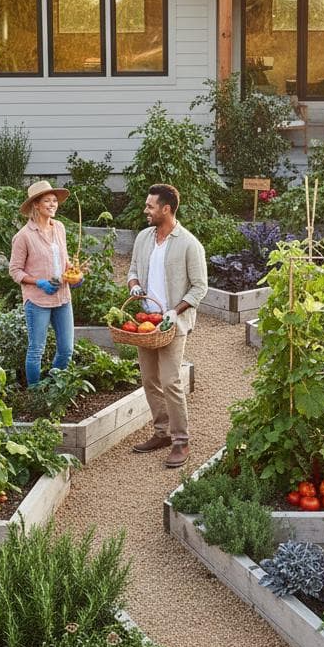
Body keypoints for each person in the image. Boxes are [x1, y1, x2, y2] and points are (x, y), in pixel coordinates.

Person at [127, 183, 207, 469]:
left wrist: (175, 311)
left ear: (166, 209)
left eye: (150, 206)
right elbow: (133, 269)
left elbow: (200, 288)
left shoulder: (188, 243)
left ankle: (181, 441)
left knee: (171, 381)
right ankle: (161, 433)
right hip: (147, 323)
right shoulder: (144, 238)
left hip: (172, 324)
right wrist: (134, 285)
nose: (145, 210)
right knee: (149, 380)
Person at [9, 180, 81, 386]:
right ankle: (34, 394)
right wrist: (39, 282)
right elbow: (14, 271)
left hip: (62, 297)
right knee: (36, 350)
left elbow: (64, 259)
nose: (53, 204)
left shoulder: (59, 228)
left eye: (54, 201)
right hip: (38, 300)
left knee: (66, 349)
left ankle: (50, 386)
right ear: (36, 205)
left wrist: (74, 274)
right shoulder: (23, 236)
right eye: (47, 201)